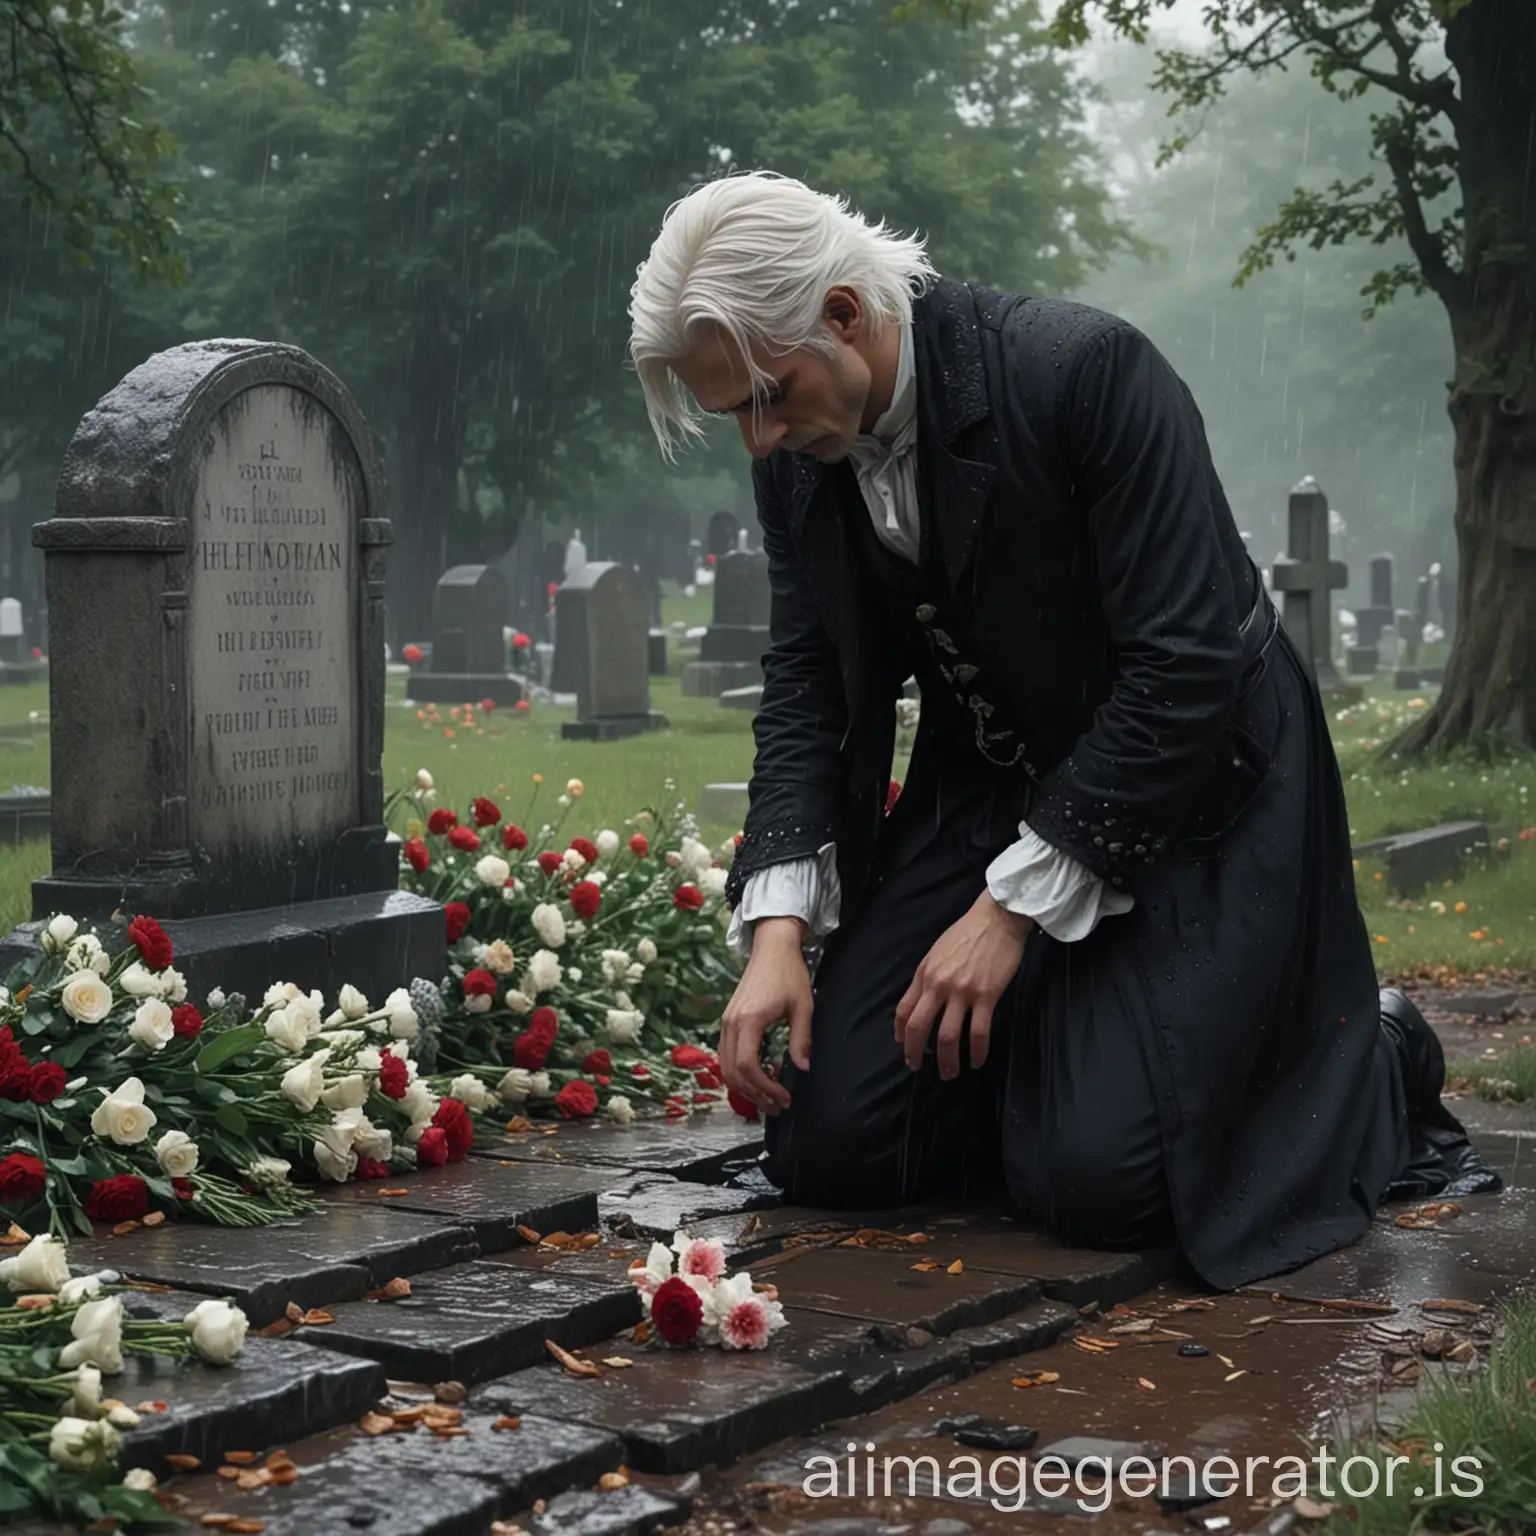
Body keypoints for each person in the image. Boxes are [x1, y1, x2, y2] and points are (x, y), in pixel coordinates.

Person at [626, 171, 1499, 1290]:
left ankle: (1371, 1054)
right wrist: (781, 936)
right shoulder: (802, 455)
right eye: (732, 413)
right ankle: (1065, 1065)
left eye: (768, 395)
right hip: (986, 787)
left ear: (845, 313)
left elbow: (1187, 668)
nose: (758, 439)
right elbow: (809, 687)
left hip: (1196, 788)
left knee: (1110, 1189)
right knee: (833, 1143)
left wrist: (1005, 912)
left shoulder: (1083, 371)